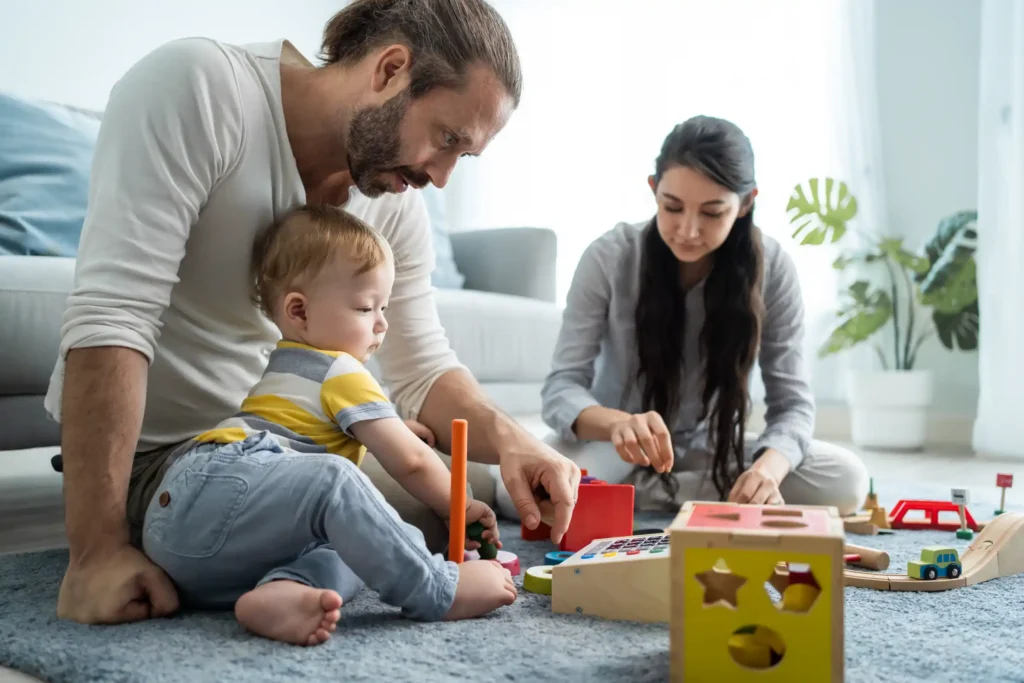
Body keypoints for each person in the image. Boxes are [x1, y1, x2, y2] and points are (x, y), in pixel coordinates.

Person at [46, 0, 580, 626]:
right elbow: (113, 316)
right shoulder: (200, 88)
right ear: (390, 70)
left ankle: (287, 589)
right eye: (447, 140)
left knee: (422, 518)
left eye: (464, 158)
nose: (441, 177)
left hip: (285, 456)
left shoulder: (393, 202)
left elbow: (422, 365)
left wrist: (517, 442)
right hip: (171, 466)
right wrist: (95, 553)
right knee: (367, 504)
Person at [141, 205, 515, 646]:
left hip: (180, 540)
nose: (382, 323)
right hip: (222, 479)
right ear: (298, 311)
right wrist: (460, 506)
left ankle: (285, 590)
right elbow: (413, 463)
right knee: (340, 482)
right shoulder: (342, 370)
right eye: (364, 307)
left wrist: (389, 426)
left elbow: (316, 429)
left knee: (361, 541)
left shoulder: (285, 366)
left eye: (384, 307)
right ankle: (436, 589)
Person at [495, 115, 868, 519]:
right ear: (653, 190)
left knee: (847, 480)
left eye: (712, 213)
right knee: (512, 492)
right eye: (672, 207)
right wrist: (619, 424)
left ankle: (639, 499)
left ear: (745, 203)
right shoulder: (608, 256)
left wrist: (766, 472)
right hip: (612, 448)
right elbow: (561, 389)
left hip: (712, 448)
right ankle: (698, 500)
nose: (688, 230)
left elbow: (793, 403)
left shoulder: (773, 267)